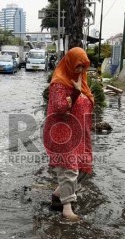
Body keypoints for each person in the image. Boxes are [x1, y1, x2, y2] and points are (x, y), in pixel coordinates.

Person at [43, 47, 94, 222]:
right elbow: (60, 108)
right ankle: (67, 209)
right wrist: (75, 92)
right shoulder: (59, 82)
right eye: (78, 66)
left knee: (84, 167)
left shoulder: (81, 79)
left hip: (79, 132)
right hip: (61, 132)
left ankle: (59, 194)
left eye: (83, 66)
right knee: (69, 170)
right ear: (70, 63)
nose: (80, 70)